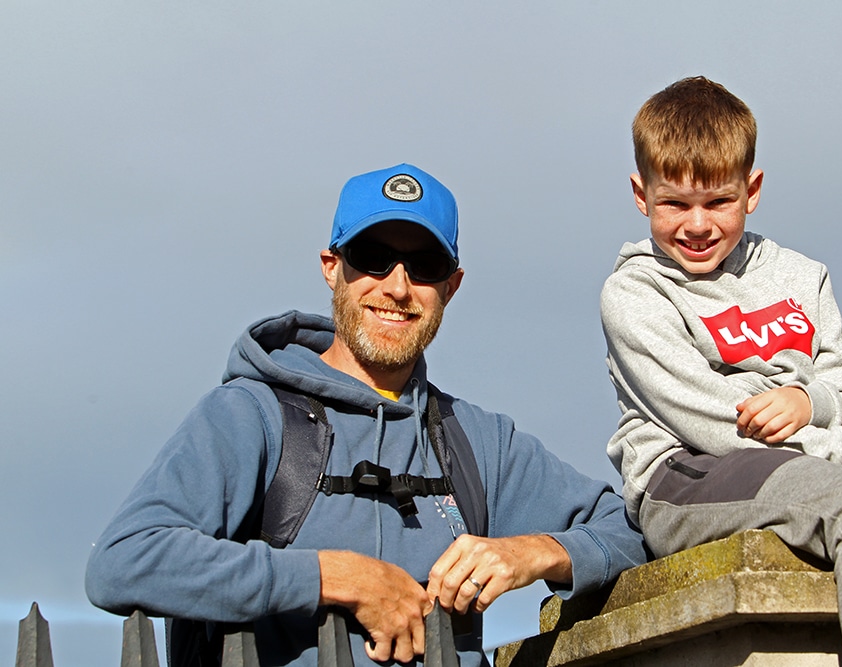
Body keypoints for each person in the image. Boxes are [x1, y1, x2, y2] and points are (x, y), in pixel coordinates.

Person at [86, 163, 647, 666]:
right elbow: (124, 560)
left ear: (451, 287)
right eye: (372, 258)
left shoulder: (479, 441)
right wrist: (336, 576)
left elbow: (631, 528)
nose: (398, 287)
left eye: (424, 265)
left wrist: (535, 552)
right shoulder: (248, 415)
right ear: (332, 267)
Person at [600, 77, 842, 666]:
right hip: (687, 472)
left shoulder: (801, 276)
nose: (697, 224)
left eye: (718, 202)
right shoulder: (634, 294)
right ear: (641, 195)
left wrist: (808, 401)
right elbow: (717, 429)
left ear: (752, 189)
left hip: (812, 459)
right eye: (675, 204)